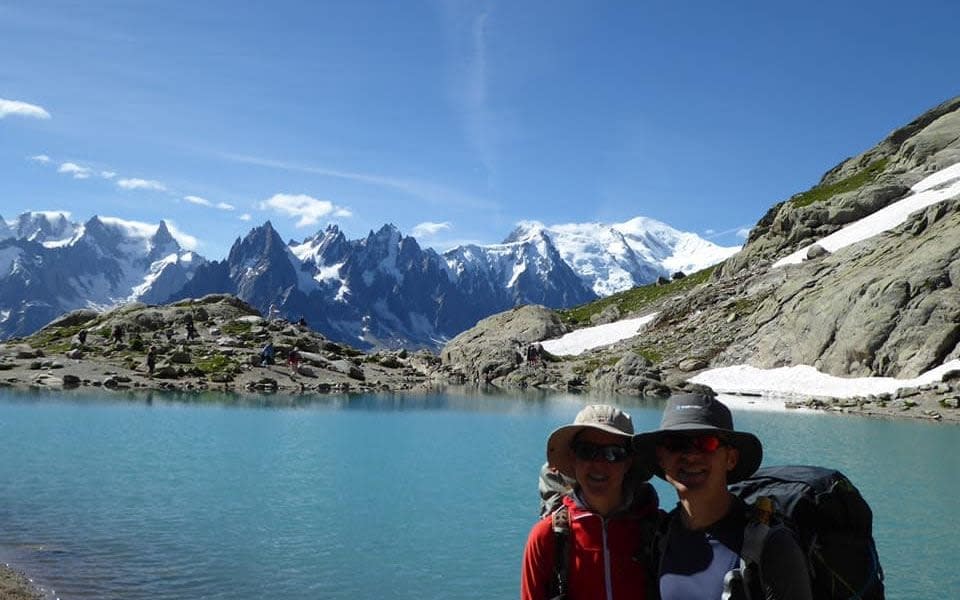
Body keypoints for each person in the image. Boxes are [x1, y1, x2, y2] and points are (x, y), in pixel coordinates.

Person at [632, 392, 813, 600]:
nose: (691, 456)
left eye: (706, 443)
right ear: (661, 459)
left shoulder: (769, 544)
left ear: (731, 459)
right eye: (675, 444)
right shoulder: (662, 535)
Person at [521, 405, 659, 600]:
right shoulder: (547, 537)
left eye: (613, 453)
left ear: (629, 462)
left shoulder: (657, 533)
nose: (600, 464)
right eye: (587, 451)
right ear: (573, 458)